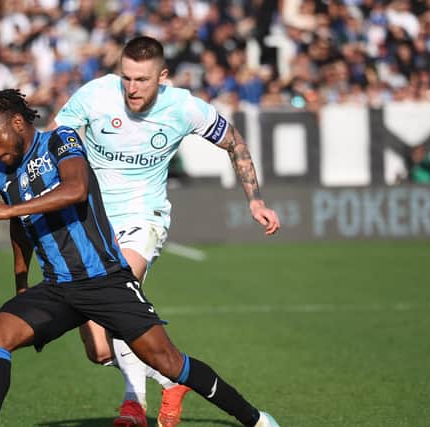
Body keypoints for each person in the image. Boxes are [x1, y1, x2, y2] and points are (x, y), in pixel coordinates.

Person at [0, 89, 280, 427]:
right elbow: (20, 228)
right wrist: (22, 284)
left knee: (168, 362)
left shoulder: (61, 141)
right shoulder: (3, 174)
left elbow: (76, 189)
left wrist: (10, 209)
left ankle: (255, 419)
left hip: (104, 280)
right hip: (57, 288)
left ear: (16, 122)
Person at [53, 35, 281, 427]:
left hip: (144, 218)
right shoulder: (95, 95)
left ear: (163, 76)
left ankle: (133, 406)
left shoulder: (184, 107)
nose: (132, 88)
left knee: (114, 298)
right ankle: (169, 379)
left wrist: (255, 200)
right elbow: (55, 136)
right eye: (126, 77)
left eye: (142, 80)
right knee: (98, 348)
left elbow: (235, 143)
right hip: (92, 222)